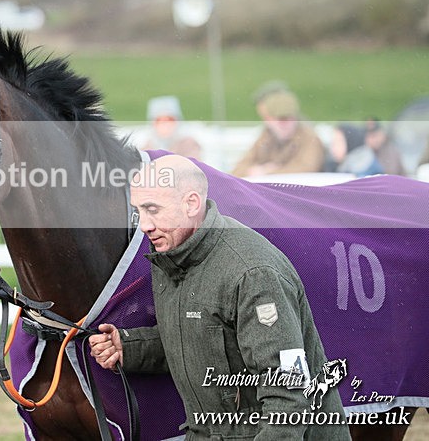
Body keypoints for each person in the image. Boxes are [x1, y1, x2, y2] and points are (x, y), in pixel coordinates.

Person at [88, 155, 350, 440]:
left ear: (191, 204)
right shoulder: (171, 257)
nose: (145, 226)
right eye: (140, 211)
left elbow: (288, 391)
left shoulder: (252, 273)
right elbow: (202, 339)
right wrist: (130, 347)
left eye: (154, 210)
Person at [232, 82, 325, 177]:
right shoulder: (267, 135)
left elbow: (307, 168)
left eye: (288, 118)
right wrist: (253, 171)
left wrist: (267, 172)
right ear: (268, 119)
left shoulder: (309, 138)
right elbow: (238, 169)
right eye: (280, 120)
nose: (285, 124)